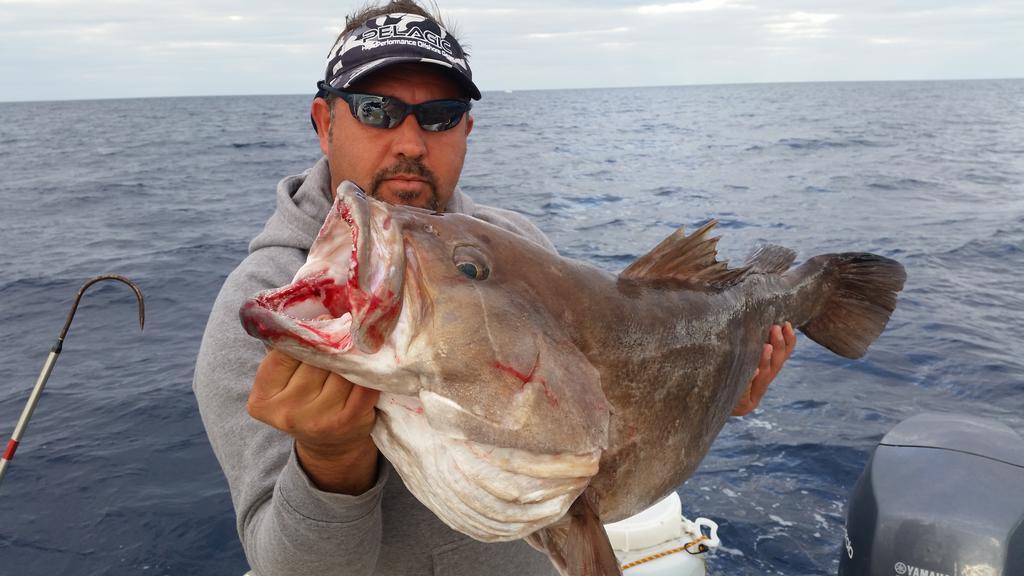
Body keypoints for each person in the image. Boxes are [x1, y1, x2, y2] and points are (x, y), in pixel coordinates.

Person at [193, 2, 797, 575]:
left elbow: (600, 401)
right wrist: (328, 465)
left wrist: (721, 393)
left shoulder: (516, 240)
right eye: (376, 109)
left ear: (466, 129)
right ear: (326, 123)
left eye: (440, 116)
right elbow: (286, 565)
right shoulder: (268, 305)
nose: (410, 142)